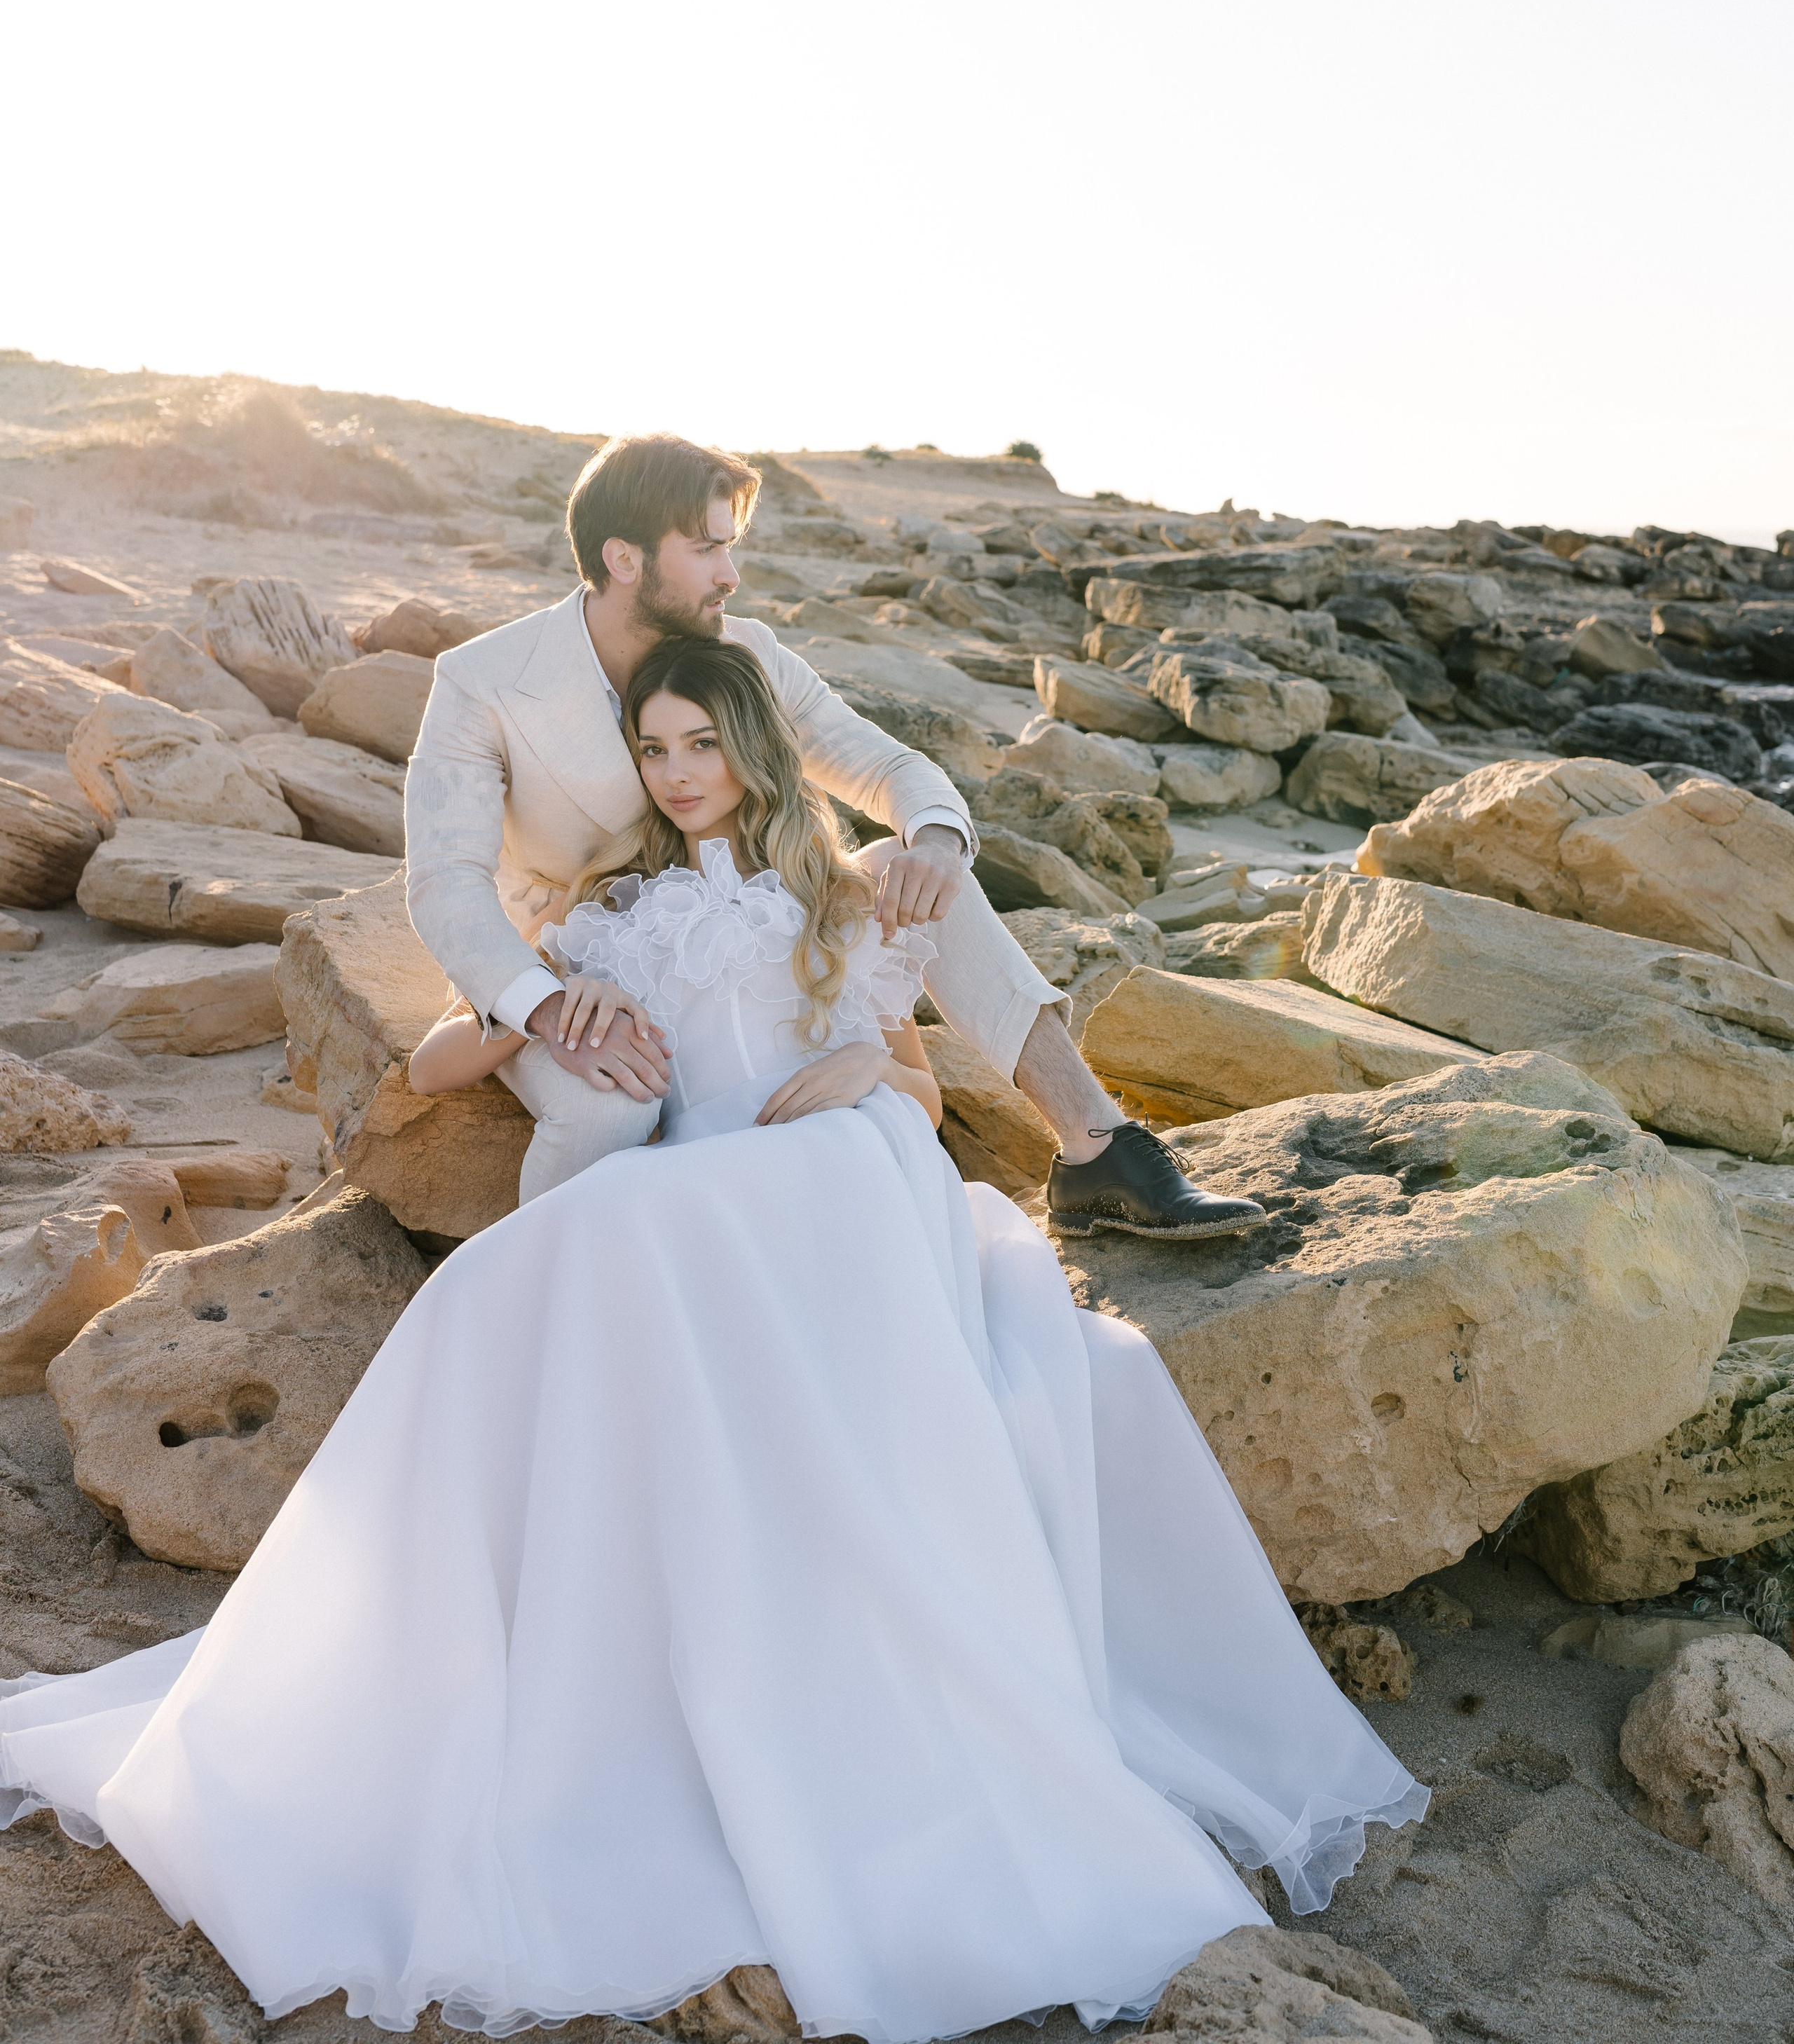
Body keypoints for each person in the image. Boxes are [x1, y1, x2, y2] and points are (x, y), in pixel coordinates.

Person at [0, 637, 1425, 2043]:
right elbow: (434, 1060)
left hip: (841, 1174)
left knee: (698, 1214)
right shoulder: (606, 918)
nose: (679, 774)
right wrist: (533, 1012)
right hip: (692, 1189)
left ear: (753, 750)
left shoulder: (848, 894)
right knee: (545, 1267)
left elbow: (920, 1093)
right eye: (655, 752)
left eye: (702, 745)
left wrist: (872, 1063)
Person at [402, 430, 1265, 1236]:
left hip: (743, 911)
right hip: (580, 958)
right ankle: (557, 1298)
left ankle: (1099, 1149)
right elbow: (446, 879)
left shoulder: (747, 656)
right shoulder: (484, 681)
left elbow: (889, 767)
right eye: (707, 548)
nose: (730, 573)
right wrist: (542, 1004)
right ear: (624, 559)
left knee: (916, 866)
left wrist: (932, 842)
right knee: (610, 1104)